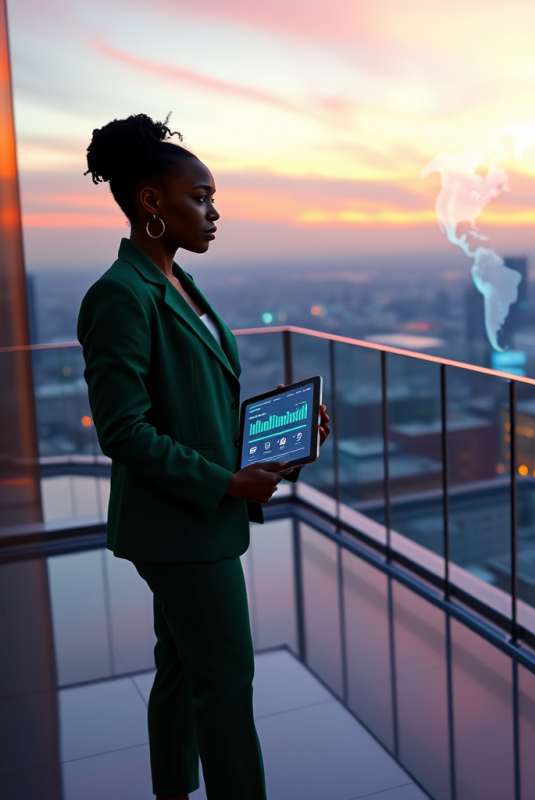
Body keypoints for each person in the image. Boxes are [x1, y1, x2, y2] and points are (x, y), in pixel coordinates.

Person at [77, 113, 330, 800]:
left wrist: (278, 437)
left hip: (196, 517)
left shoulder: (180, 285)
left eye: (214, 199)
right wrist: (226, 481)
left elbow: (191, 403)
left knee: (184, 669)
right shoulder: (120, 295)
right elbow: (123, 430)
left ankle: (171, 791)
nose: (214, 213)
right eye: (201, 197)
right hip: (180, 528)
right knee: (226, 679)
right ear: (151, 201)